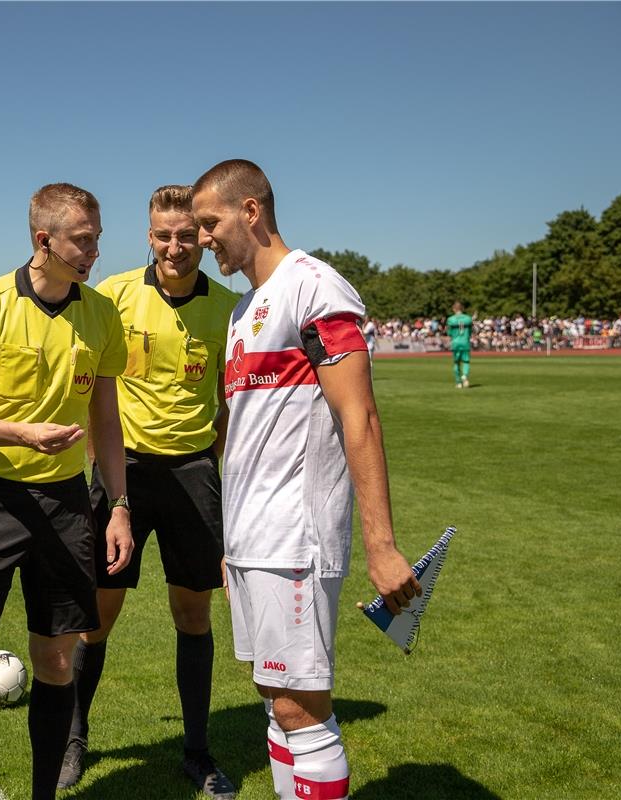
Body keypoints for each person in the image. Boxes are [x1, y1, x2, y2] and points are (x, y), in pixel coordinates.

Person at [191, 160, 421, 800]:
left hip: (295, 535)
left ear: (251, 212)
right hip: (250, 539)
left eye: (210, 223)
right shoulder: (243, 312)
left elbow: (361, 416)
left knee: (302, 709)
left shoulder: (313, 286)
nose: (204, 239)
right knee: (276, 698)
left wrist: (380, 544)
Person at [0, 183, 133, 800]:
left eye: (97, 237)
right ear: (43, 240)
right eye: (83, 239)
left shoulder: (99, 313)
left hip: (67, 504)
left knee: (54, 661)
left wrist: (119, 504)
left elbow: (105, 419)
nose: (95, 250)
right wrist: (21, 432)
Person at [58, 185, 240, 797]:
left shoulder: (230, 308)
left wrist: (206, 462)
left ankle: (197, 748)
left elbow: (229, 406)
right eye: (164, 235)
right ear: (149, 235)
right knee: (98, 617)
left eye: (187, 235)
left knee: (193, 614)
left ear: (202, 237)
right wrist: (110, 484)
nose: (175, 247)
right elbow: (91, 395)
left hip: (193, 475)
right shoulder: (111, 296)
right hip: (123, 475)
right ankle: (74, 739)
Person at [447, 301, 473, 388]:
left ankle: (458, 382)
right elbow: (470, 332)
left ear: (454, 309)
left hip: (455, 342)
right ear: (462, 309)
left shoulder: (450, 319)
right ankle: (465, 375)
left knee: (456, 363)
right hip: (465, 341)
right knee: (466, 361)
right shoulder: (468, 318)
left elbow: (449, 333)